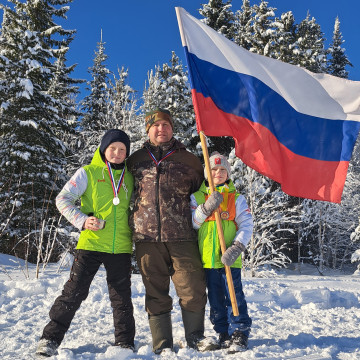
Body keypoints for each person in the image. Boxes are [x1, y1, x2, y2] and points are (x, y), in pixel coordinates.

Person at [35, 129, 135, 357]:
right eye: (113, 148)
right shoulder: (87, 173)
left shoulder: (130, 176)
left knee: (121, 298)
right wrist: (82, 219)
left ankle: (125, 343)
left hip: (120, 246)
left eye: (122, 150)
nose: (117, 153)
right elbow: (62, 199)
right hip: (90, 244)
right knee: (74, 292)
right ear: (103, 149)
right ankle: (49, 338)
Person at [127, 108, 213, 354]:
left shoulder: (190, 160)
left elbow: (202, 193)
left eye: (166, 125)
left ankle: (196, 336)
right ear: (148, 130)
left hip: (183, 235)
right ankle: (162, 343)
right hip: (146, 238)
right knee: (155, 291)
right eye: (156, 125)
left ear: (172, 129)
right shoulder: (135, 160)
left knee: (192, 287)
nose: (161, 129)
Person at [190, 151, 253, 351]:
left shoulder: (237, 198)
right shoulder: (197, 196)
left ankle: (240, 332)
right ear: (207, 172)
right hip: (209, 259)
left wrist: (237, 247)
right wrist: (206, 208)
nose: (217, 173)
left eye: (222, 170)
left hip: (229, 259)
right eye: (213, 169)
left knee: (234, 295)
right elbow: (194, 223)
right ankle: (223, 332)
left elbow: (247, 225)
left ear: (228, 173)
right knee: (216, 298)